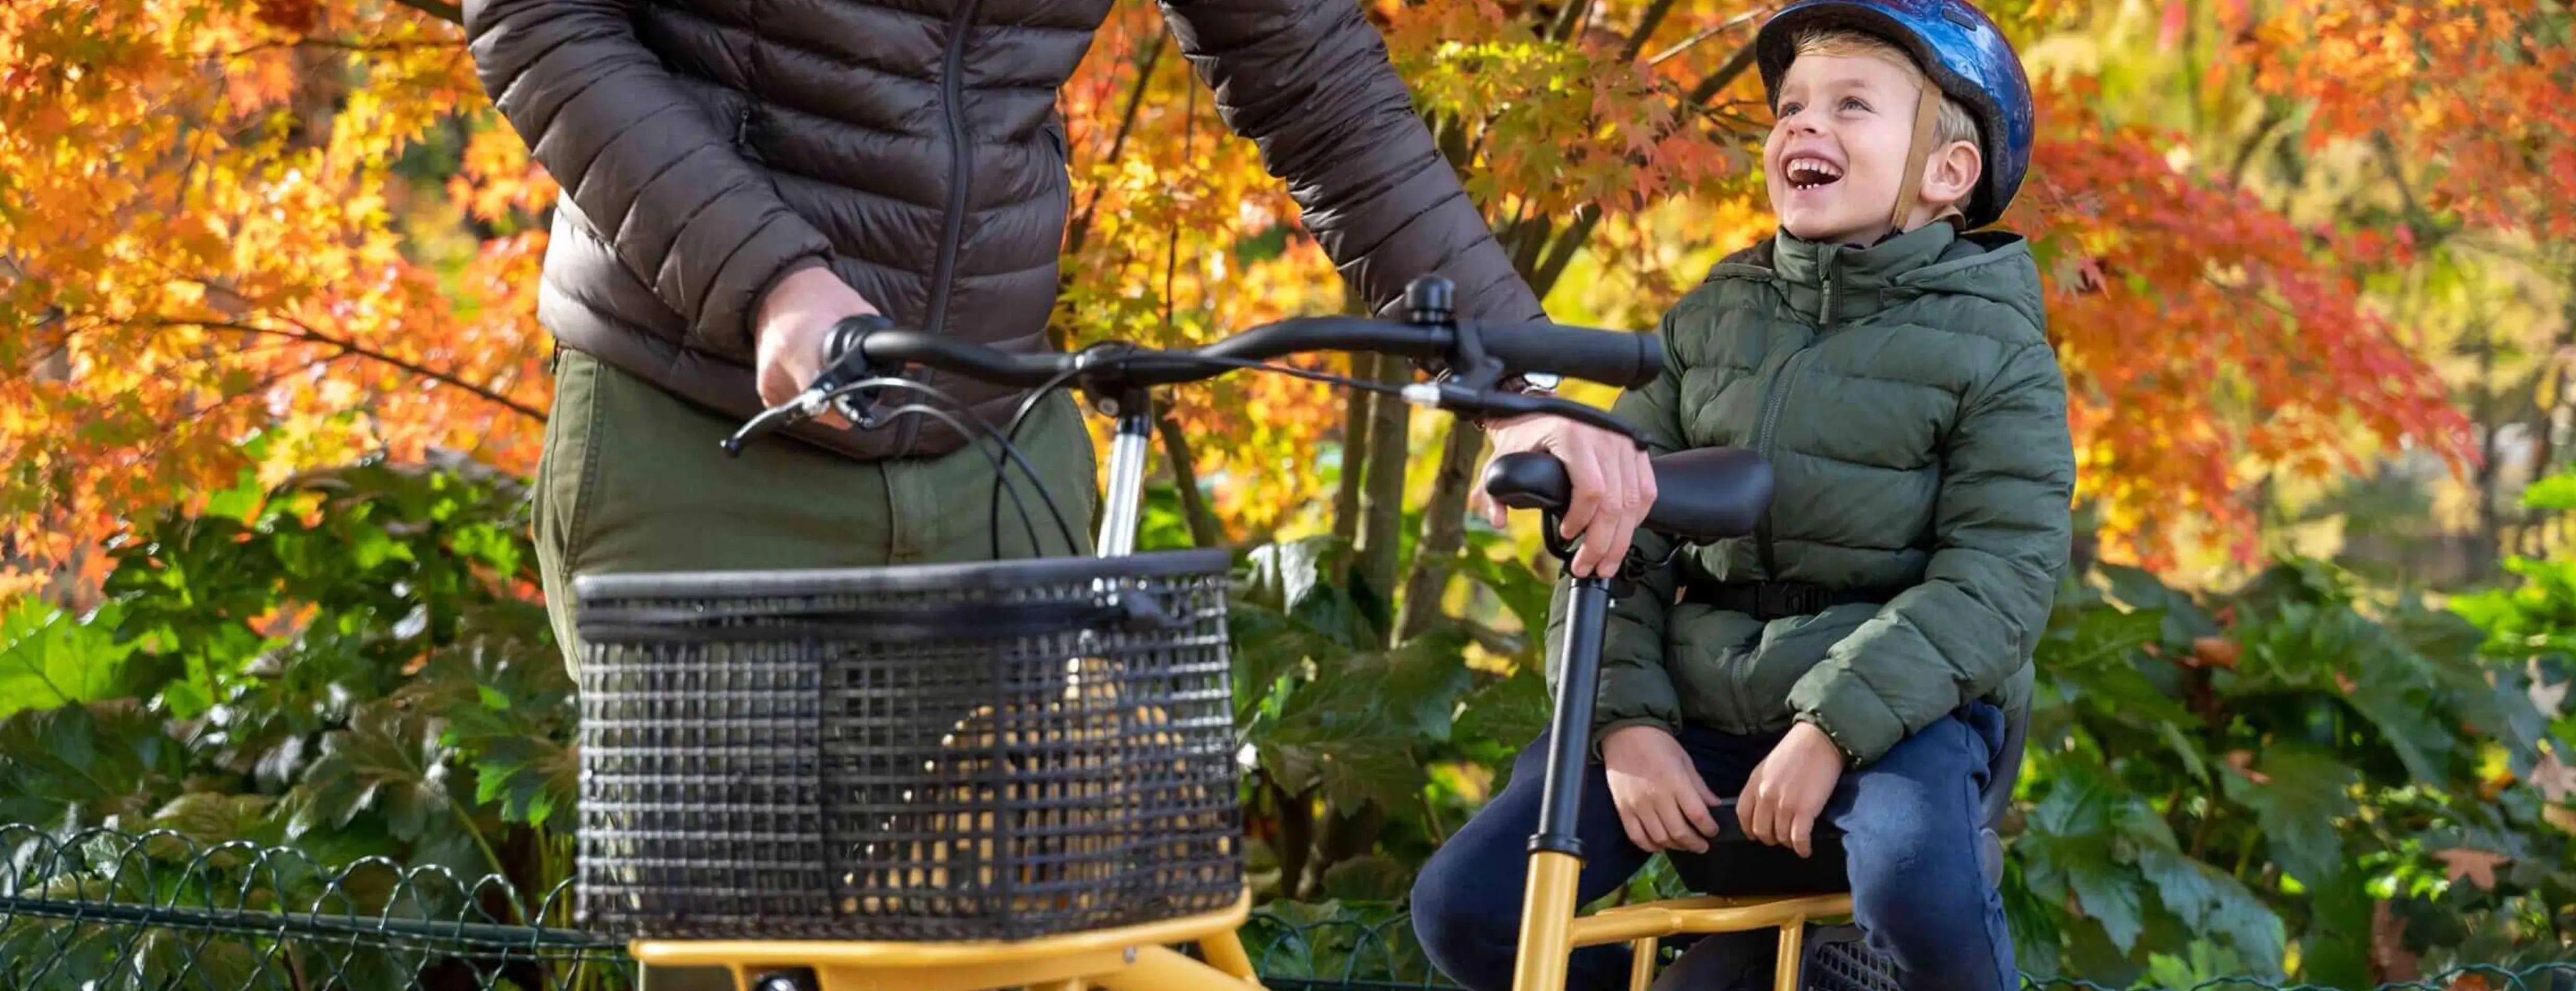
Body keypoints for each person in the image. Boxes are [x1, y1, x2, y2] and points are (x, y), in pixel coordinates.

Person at [460, 0, 1660, 691]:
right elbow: (537, 16)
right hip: (703, 422)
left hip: (996, 444)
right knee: (741, 948)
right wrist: (771, 279)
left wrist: (1520, 382)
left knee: (1013, 939)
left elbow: (1316, 80)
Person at [1409, 2, 2073, 990]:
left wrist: (1831, 730)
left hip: (1895, 718)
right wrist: (1626, 724)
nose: (1805, 125)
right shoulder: (1713, 319)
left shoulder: (1998, 350)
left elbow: (1999, 580)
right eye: (1792, 107)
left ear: (1947, 173)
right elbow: (1618, 536)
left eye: (1851, 106)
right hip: (1699, 704)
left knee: (1913, 880)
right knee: (1465, 910)